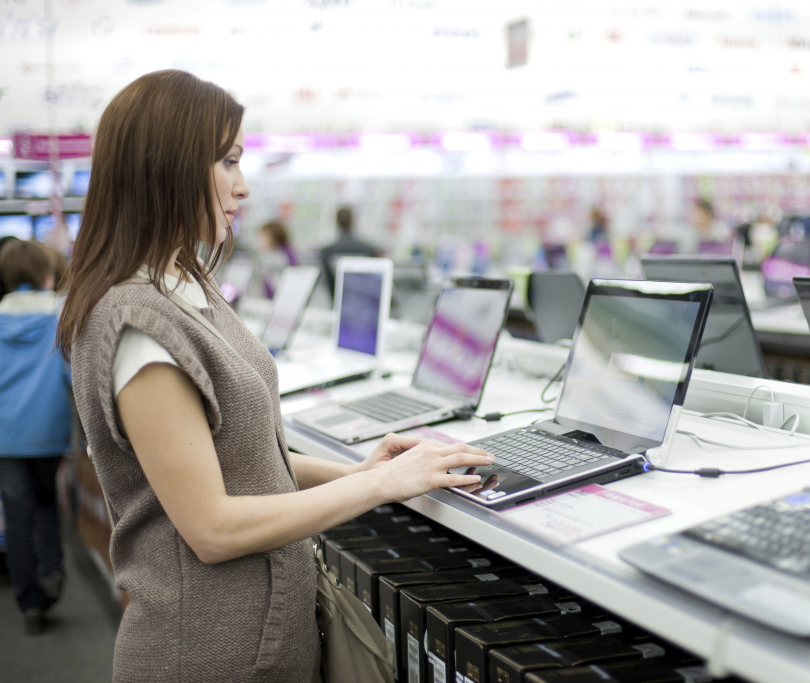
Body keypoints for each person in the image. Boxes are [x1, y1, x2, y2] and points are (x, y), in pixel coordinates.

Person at [56, 70, 491, 682]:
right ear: (169, 166)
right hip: (206, 658)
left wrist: (358, 470)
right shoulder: (137, 323)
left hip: (256, 646)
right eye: (228, 161)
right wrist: (382, 486)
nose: (244, 186)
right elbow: (211, 527)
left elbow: (242, 453)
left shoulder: (185, 288)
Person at [0, 238, 72, 635]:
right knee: (47, 506)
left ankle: (29, 602)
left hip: (4, 438)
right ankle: (53, 574)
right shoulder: (60, 318)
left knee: (17, 518)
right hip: (48, 433)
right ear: (47, 274)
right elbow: (74, 376)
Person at [320, 206, 377, 299]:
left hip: (336, 299)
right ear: (352, 221)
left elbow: (329, 282)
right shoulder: (368, 250)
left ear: (337, 222)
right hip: (362, 299)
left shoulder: (327, 252)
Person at [256, 219, 298, 298]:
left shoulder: (278, 257)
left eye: (264, 237)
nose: (260, 241)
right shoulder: (287, 253)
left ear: (273, 237)